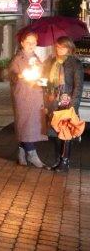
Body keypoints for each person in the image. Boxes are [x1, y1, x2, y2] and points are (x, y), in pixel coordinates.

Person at [42, 36, 84, 172]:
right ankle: (57, 160)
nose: (60, 49)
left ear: (69, 48)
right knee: (54, 132)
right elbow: (45, 80)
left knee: (65, 132)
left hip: (67, 103)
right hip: (53, 101)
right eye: (58, 47)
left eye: (63, 47)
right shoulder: (51, 61)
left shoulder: (75, 63)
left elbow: (78, 87)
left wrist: (74, 105)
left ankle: (64, 162)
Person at [8, 32, 47, 167]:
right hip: (23, 95)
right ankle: (31, 153)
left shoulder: (36, 58)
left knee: (33, 124)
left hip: (36, 94)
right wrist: (19, 75)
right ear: (22, 43)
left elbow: (41, 73)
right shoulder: (18, 58)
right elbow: (11, 74)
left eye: (34, 42)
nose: (31, 45)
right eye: (28, 42)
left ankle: (21, 152)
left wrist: (42, 79)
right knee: (25, 123)